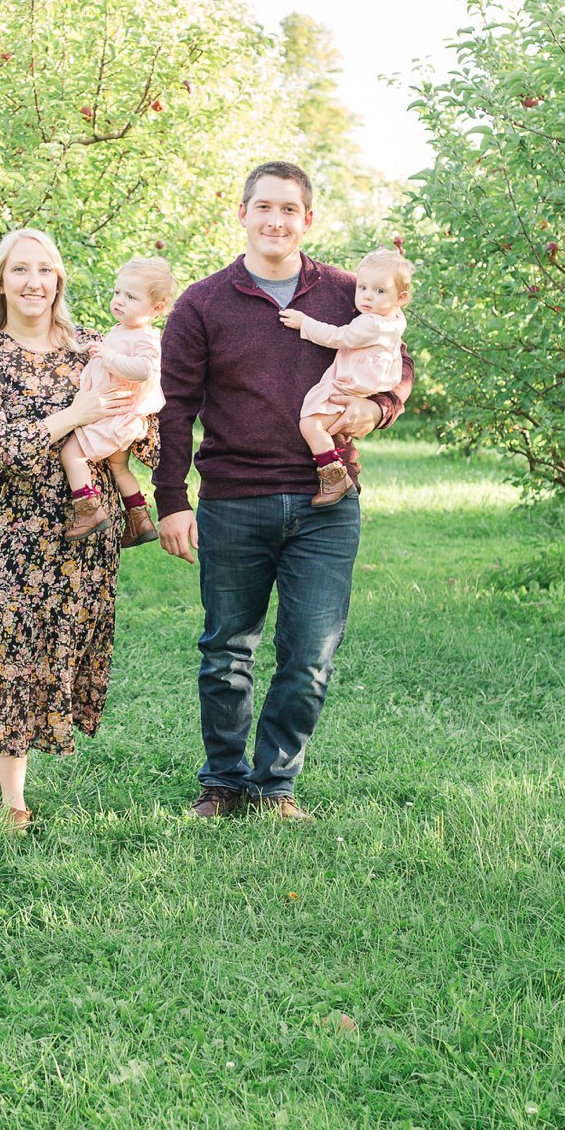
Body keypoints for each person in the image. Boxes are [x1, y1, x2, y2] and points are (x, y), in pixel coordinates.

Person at [154, 162, 412, 820]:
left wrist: (378, 408)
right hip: (233, 499)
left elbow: (398, 367)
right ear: (241, 214)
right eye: (263, 207)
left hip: (327, 504)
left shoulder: (350, 292)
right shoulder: (202, 303)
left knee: (309, 655)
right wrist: (173, 501)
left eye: (289, 209)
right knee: (226, 652)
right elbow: (176, 406)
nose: (275, 220)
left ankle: (275, 787)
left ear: (308, 219)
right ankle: (223, 782)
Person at [0, 228, 149, 833]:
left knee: (60, 648)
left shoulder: (96, 349)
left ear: (59, 281)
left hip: (87, 525)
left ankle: (2, 758)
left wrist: (132, 430)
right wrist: (74, 416)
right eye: (20, 270)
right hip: (14, 531)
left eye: (45, 270)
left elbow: (145, 421)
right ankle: (14, 804)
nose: (34, 283)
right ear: (1, 281)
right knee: (15, 650)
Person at [281, 248, 411, 508]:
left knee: (312, 425)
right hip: (370, 383)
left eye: (379, 291)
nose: (366, 297)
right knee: (328, 425)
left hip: (350, 384)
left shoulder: (370, 323)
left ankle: (334, 476)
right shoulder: (395, 318)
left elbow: (338, 337)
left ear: (401, 297)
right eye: (362, 287)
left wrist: (304, 322)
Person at [58, 256, 173, 546]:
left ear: (156, 308)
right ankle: (139, 519)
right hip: (118, 419)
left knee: (71, 455)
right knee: (119, 468)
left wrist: (108, 358)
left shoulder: (145, 337)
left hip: (113, 418)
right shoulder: (123, 330)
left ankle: (88, 512)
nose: (119, 300)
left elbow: (145, 369)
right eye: (117, 292)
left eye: (131, 296)